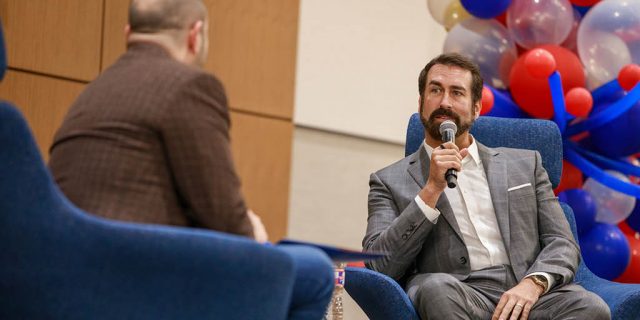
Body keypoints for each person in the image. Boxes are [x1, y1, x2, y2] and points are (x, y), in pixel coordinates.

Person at [49, 1, 333, 319]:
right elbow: (224, 217)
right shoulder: (190, 85)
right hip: (141, 275)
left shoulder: (92, 93)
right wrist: (253, 232)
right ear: (195, 35)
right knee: (315, 270)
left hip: (69, 273)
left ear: (128, 33)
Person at [363, 53, 610, 320]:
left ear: (476, 108)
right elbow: (380, 265)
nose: (444, 102)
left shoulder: (526, 164)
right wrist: (431, 189)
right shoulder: (388, 181)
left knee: (591, 307)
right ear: (421, 102)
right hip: (459, 294)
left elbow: (562, 242)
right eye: (435, 90)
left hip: (528, 295)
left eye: (457, 93)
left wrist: (533, 284)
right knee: (434, 288)